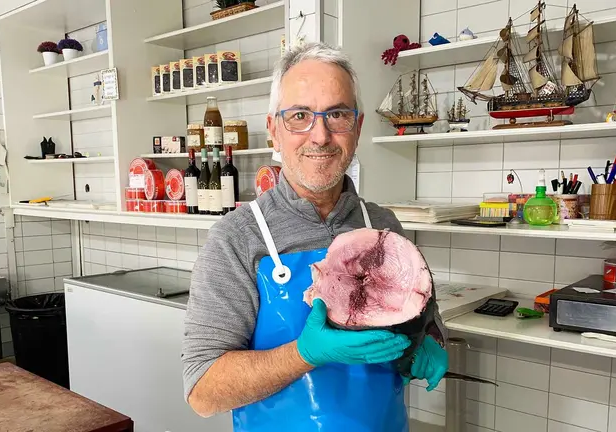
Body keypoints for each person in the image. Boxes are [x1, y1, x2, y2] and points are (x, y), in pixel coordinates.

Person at [181, 41, 448, 432]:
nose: (320, 136)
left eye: (337, 115)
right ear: (274, 130)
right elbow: (203, 391)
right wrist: (304, 354)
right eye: (300, 116)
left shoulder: (383, 225)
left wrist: (431, 340)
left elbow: (423, 314)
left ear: (356, 128)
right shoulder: (236, 239)